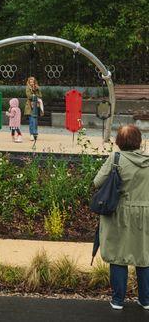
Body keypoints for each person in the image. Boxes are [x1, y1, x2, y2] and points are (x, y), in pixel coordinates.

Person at [94, 125, 149, 310]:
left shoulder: (116, 158)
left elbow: (97, 182)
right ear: (138, 140)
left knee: (118, 255)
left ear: (119, 141)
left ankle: (118, 301)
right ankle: (146, 300)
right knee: (144, 255)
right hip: (145, 213)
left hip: (119, 212)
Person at [24, 76, 44, 141]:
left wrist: (35, 94)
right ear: (29, 82)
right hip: (30, 106)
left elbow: (40, 95)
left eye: (33, 81)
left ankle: (35, 133)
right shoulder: (27, 88)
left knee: (35, 121)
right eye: (30, 82)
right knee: (31, 121)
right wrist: (34, 95)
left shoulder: (37, 87)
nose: (31, 83)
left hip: (36, 106)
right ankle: (31, 134)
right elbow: (29, 96)